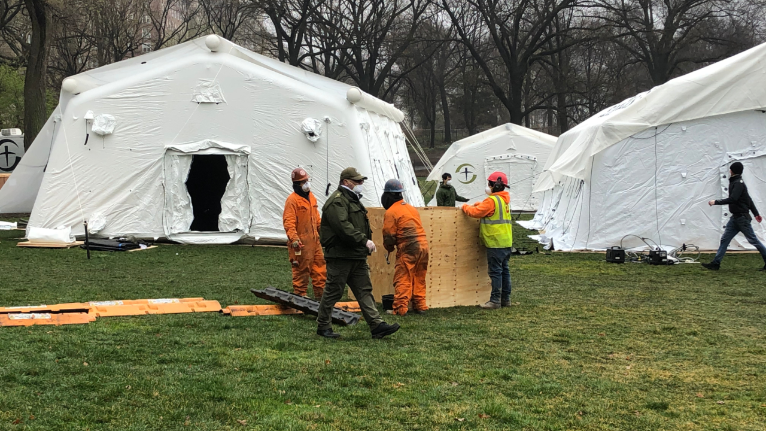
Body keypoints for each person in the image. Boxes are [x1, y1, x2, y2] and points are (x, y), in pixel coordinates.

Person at [316, 167, 401, 339]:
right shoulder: (337, 201)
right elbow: (343, 227)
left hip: (355, 254)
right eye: (357, 181)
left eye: (361, 181)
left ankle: (377, 325)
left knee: (364, 290)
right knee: (333, 291)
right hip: (341, 255)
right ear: (346, 182)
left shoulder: (352, 199)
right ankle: (323, 325)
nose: (360, 184)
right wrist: (364, 240)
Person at [461, 171, 513, 309]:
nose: (488, 186)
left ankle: (495, 301)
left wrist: (465, 206)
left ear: (494, 186)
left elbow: (475, 213)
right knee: (505, 270)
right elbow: (487, 208)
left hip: (495, 242)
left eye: (489, 184)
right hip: (506, 241)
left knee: (495, 272)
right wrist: (480, 203)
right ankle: (505, 299)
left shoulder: (492, 201)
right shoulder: (503, 199)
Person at [702, 162, 765, 271]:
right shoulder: (737, 182)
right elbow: (748, 200)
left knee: (754, 240)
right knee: (725, 240)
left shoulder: (738, 183)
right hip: (735, 218)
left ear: (733, 171)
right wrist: (756, 214)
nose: (729, 171)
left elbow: (733, 199)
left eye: (730, 169)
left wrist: (715, 202)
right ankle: (716, 263)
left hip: (742, 219)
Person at [381, 179, 429, 316]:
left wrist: (389, 247)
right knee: (419, 276)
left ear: (388, 195)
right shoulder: (411, 208)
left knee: (403, 277)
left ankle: (400, 308)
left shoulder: (391, 212)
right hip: (423, 246)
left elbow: (389, 235)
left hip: (409, 247)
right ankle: (420, 306)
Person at [282, 168, 326, 298]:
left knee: (320, 269)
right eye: (303, 182)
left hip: (314, 241)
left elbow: (317, 218)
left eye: (307, 180)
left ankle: (321, 296)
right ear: (297, 184)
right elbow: (288, 222)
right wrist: (294, 239)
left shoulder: (311, 197)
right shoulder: (292, 200)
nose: (307, 183)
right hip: (300, 243)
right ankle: (300, 296)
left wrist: (322, 232)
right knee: (301, 270)